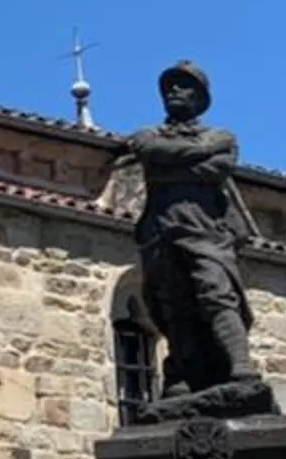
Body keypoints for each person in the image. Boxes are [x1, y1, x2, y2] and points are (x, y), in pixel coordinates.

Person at [112, 61, 265, 408]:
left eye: (184, 87)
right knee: (173, 304)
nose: (174, 92)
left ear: (200, 97)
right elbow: (153, 153)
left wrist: (171, 166)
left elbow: (219, 169)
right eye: (169, 87)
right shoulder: (148, 135)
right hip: (161, 230)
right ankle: (180, 372)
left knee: (217, 292)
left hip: (205, 230)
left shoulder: (222, 136)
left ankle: (241, 366)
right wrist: (194, 158)